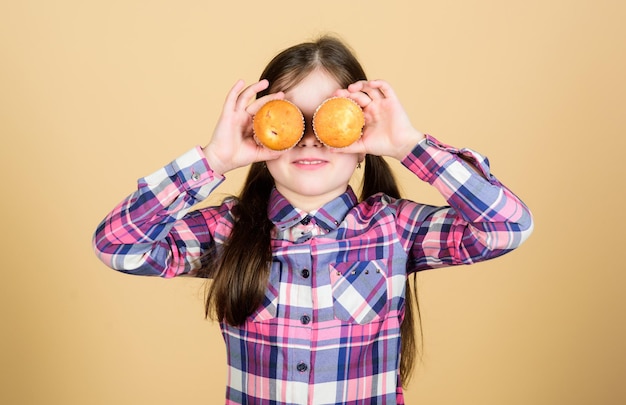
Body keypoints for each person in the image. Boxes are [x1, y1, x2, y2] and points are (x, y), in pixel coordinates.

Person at [93, 36, 534, 404]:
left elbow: (507, 228)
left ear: (363, 138)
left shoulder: (395, 231)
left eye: (327, 122)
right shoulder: (226, 231)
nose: (308, 141)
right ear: (261, 132)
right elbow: (118, 246)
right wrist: (213, 160)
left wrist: (409, 145)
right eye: (290, 122)